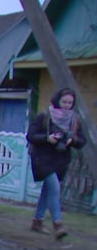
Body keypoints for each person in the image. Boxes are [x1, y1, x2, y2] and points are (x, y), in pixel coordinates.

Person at [26, 87, 87, 239]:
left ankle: (37, 221)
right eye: (64, 102)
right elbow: (31, 135)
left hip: (60, 159)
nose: (67, 105)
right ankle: (57, 224)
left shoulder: (74, 119)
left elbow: (82, 141)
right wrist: (47, 138)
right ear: (57, 101)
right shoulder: (45, 116)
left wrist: (72, 140)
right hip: (42, 157)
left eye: (70, 103)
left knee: (47, 190)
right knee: (54, 188)